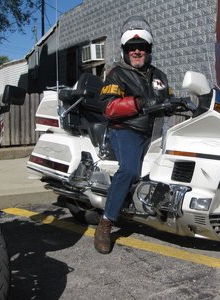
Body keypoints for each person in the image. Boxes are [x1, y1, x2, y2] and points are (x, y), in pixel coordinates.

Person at [94, 16, 170, 254]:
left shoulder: (159, 75)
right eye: (132, 48)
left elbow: (167, 97)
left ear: (149, 50)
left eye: (142, 48)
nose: (137, 51)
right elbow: (109, 107)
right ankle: (106, 221)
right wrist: (139, 102)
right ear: (125, 51)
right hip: (125, 130)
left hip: (155, 131)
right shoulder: (116, 74)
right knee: (129, 169)